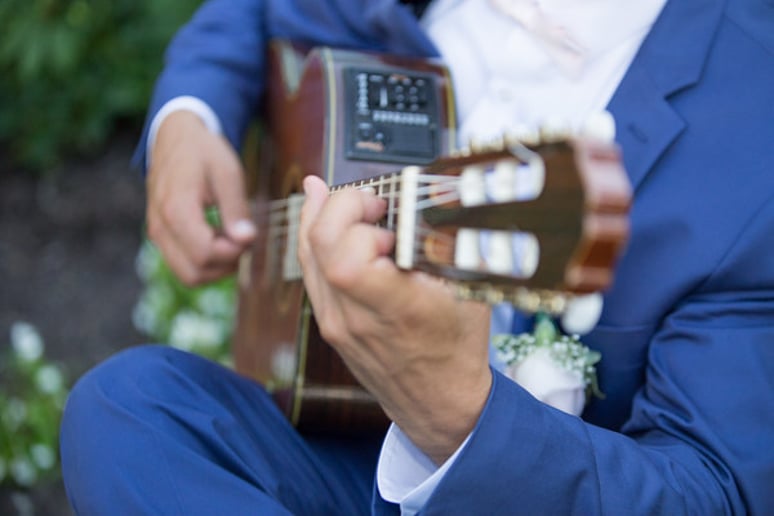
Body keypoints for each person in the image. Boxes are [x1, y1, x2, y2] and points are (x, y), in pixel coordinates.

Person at [60, 0, 774, 514]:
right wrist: (190, 113)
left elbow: (713, 492)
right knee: (124, 408)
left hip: (532, 490)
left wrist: (459, 413)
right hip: (349, 450)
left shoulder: (753, 131)